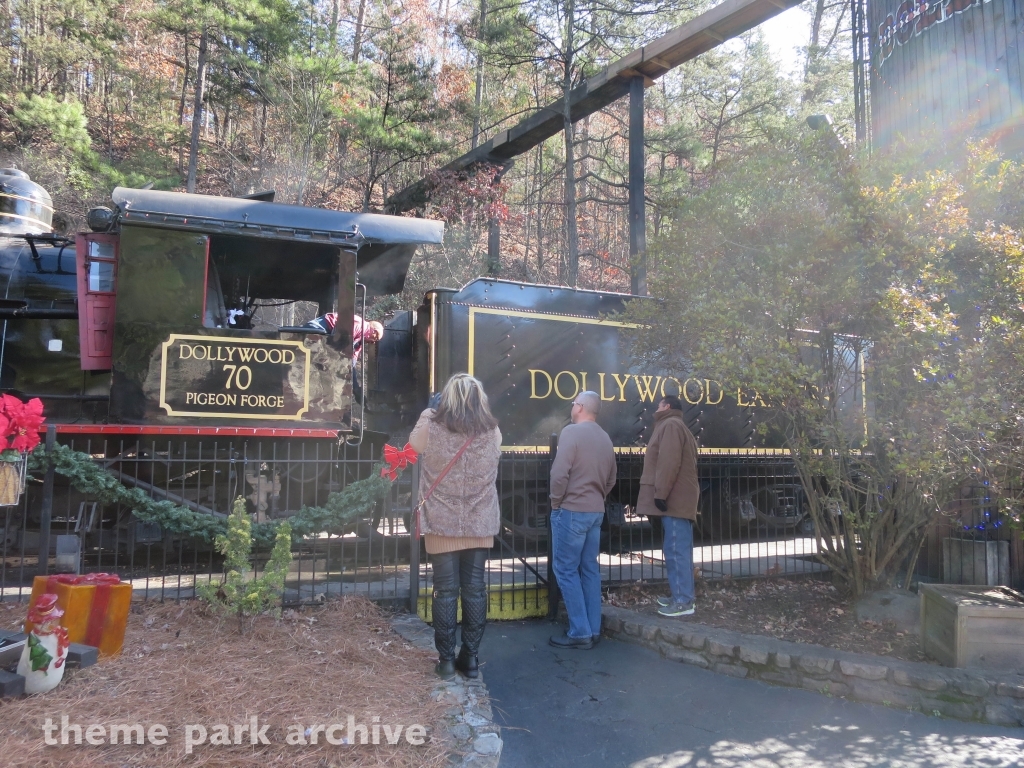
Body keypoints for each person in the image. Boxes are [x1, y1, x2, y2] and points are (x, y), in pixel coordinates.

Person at [409, 373, 501, 679]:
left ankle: (446, 660)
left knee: (445, 591)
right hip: (480, 523)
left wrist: (428, 410)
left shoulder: (433, 426)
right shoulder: (492, 431)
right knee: (475, 591)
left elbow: (413, 445)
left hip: (441, 523)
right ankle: (471, 658)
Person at [548, 390, 617, 649]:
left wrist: (557, 501)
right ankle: (593, 629)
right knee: (589, 569)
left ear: (580, 407)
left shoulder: (571, 433)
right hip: (595, 512)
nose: (571, 407)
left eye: (573, 402)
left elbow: (559, 473)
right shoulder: (605, 437)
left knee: (565, 569)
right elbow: (611, 478)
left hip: (572, 509)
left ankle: (579, 632)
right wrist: (597, 497)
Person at [637, 394, 700, 617]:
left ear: (668, 406)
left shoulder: (671, 425)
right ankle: (679, 595)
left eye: (659, 404)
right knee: (675, 549)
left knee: (676, 550)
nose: (657, 407)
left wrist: (660, 493)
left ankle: (683, 601)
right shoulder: (674, 425)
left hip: (675, 500)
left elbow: (668, 461)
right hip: (678, 499)